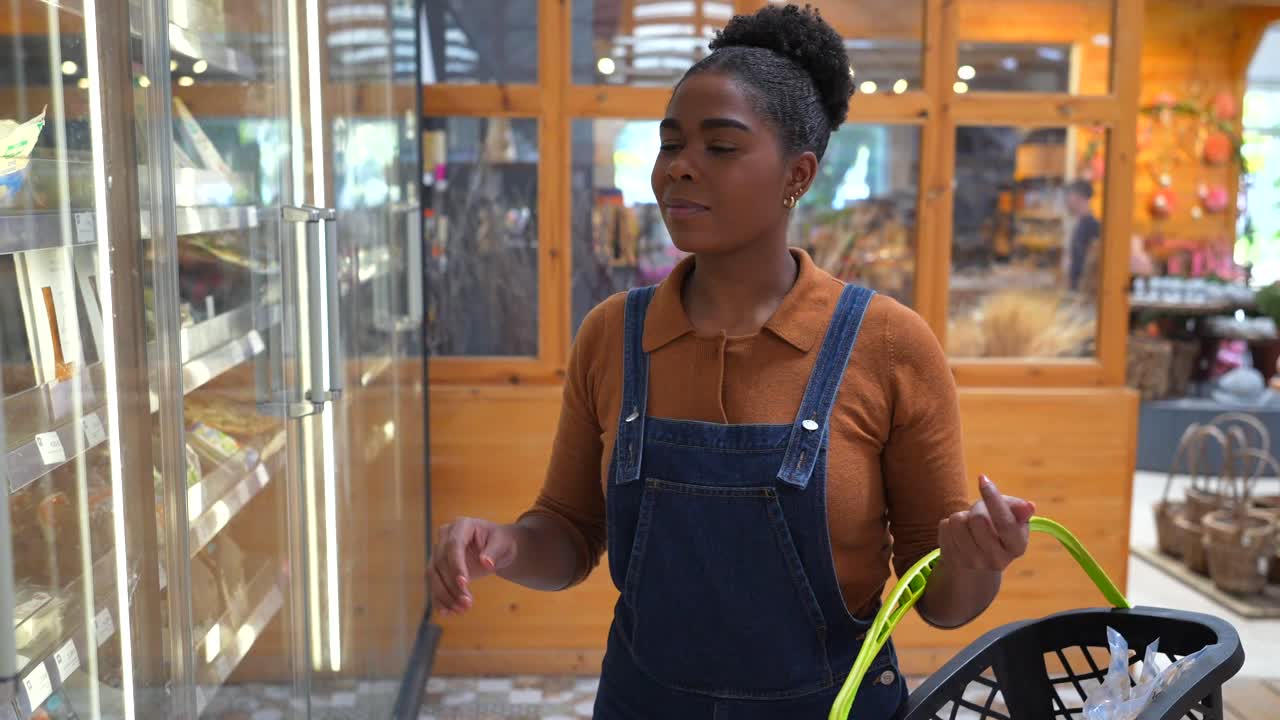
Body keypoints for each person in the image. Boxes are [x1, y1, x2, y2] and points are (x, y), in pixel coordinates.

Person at [429, 6, 1036, 718]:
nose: (680, 166)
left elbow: (939, 603)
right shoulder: (611, 336)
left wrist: (975, 562)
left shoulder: (889, 346)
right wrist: (502, 545)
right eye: (670, 143)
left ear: (797, 174)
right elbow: (567, 532)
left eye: (721, 147)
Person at [1066, 179, 1102, 292]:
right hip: (1076, 286)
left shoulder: (1093, 226)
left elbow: (1092, 262)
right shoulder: (1080, 223)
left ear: (1079, 197)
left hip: (1084, 288)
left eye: (1070, 195)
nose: (1068, 200)